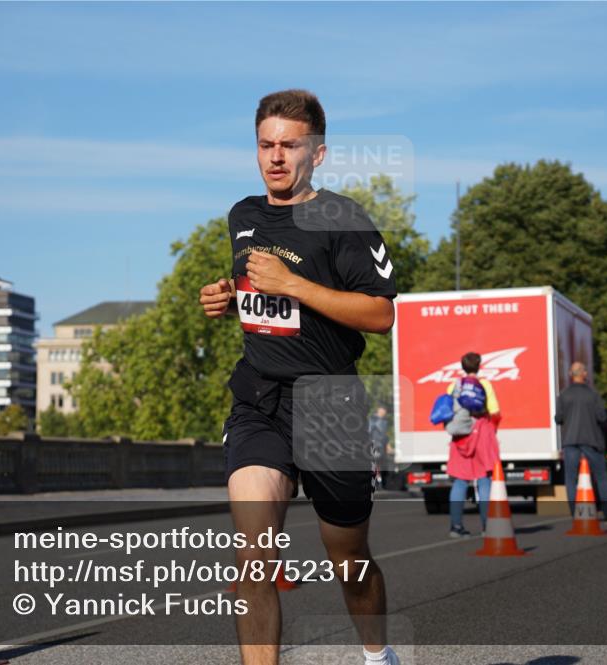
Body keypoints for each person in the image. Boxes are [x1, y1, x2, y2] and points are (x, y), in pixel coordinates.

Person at [199, 90, 399, 665]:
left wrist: (295, 285)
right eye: (266, 145)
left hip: (330, 405)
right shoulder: (243, 216)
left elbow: (382, 314)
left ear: (318, 153)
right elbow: (255, 296)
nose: (276, 157)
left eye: (289, 146)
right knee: (253, 554)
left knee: (350, 561)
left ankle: (378, 655)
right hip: (259, 399)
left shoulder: (345, 219)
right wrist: (224, 298)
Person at [444, 352, 501, 537]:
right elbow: (495, 412)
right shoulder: (485, 385)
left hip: (461, 436)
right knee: (484, 480)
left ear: (462, 366)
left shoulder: (453, 386)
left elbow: (448, 411)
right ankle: (487, 526)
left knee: (460, 481)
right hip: (482, 432)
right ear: (479, 365)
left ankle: (456, 527)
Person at [555, 361, 607, 523]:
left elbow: (558, 418)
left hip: (570, 440)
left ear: (570, 375)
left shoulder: (564, 395)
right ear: (585, 374)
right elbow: (602, 417)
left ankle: (575, 513)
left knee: (570, 478)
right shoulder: (593, 395)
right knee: (601, 476)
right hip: (592, 440)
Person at [368, 405, 390, 489]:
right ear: (379, 410)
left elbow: (385, 435)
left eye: (385, 411)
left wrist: (388, 445)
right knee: (376, 463)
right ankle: (376, 482)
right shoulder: (373, 420)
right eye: (382, 411)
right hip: (376, 445)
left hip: (382, 446)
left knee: (382, 464)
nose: (384, 412)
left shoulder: (384, 421)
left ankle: (381, 482)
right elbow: (369, 432)